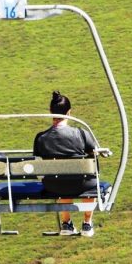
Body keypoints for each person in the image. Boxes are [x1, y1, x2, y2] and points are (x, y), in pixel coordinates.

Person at [33, 91, 97, 237]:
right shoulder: (80, 134)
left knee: (61, 176)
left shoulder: (41, 138)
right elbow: (93, 153)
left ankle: (66, 223)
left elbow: (36, 161)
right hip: (82, 183)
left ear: (50, 112)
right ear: (69, 112)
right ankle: (87, 223)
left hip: (53, 185)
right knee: (89, 174)